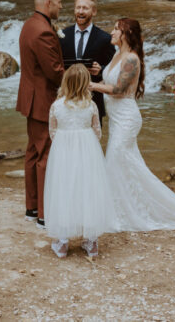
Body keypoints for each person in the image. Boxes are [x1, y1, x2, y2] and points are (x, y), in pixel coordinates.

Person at [91, 17, 175, 231]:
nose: (111, 32)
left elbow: (119, 90)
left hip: (127, 118)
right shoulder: (117, 55)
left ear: (126, 35)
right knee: (124, 164)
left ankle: (125, 214)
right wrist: (97, 77)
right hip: (116, 119)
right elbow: (109, 82)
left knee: (115, 160)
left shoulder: (131, 59)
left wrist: (92, 85)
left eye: (116, 29)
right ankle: (122, 208)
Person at [43, 64, 118, 258]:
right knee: (88, 191)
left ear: (65, 82)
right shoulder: (91, 106)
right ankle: (91, 242)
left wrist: (64, 144)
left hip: (63, 153)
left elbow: (52, 132)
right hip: (87, 152)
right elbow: (98, 132)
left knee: (64, 190)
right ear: (86, 84)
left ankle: (62, 243)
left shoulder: (56, 106)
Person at [15, 0, 65, 226]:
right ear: (48, 3)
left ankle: (32, 208)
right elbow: (54, 71)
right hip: (43, 100)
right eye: (58, 2)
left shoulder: (29, 25)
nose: (61, 6)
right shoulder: (43, 31)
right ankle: (45, 214)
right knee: (45, 154)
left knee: (33, 153)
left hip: (30, 98)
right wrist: (79, 77)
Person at [59, 0, 115, 122]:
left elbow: (114, 68)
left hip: (93, 100)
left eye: (85, 8)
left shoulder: (105, 39)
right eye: (78, 8)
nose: (80, 11)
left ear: (94, 11)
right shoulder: (63, 35)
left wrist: (101, 69)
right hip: (66, 99)